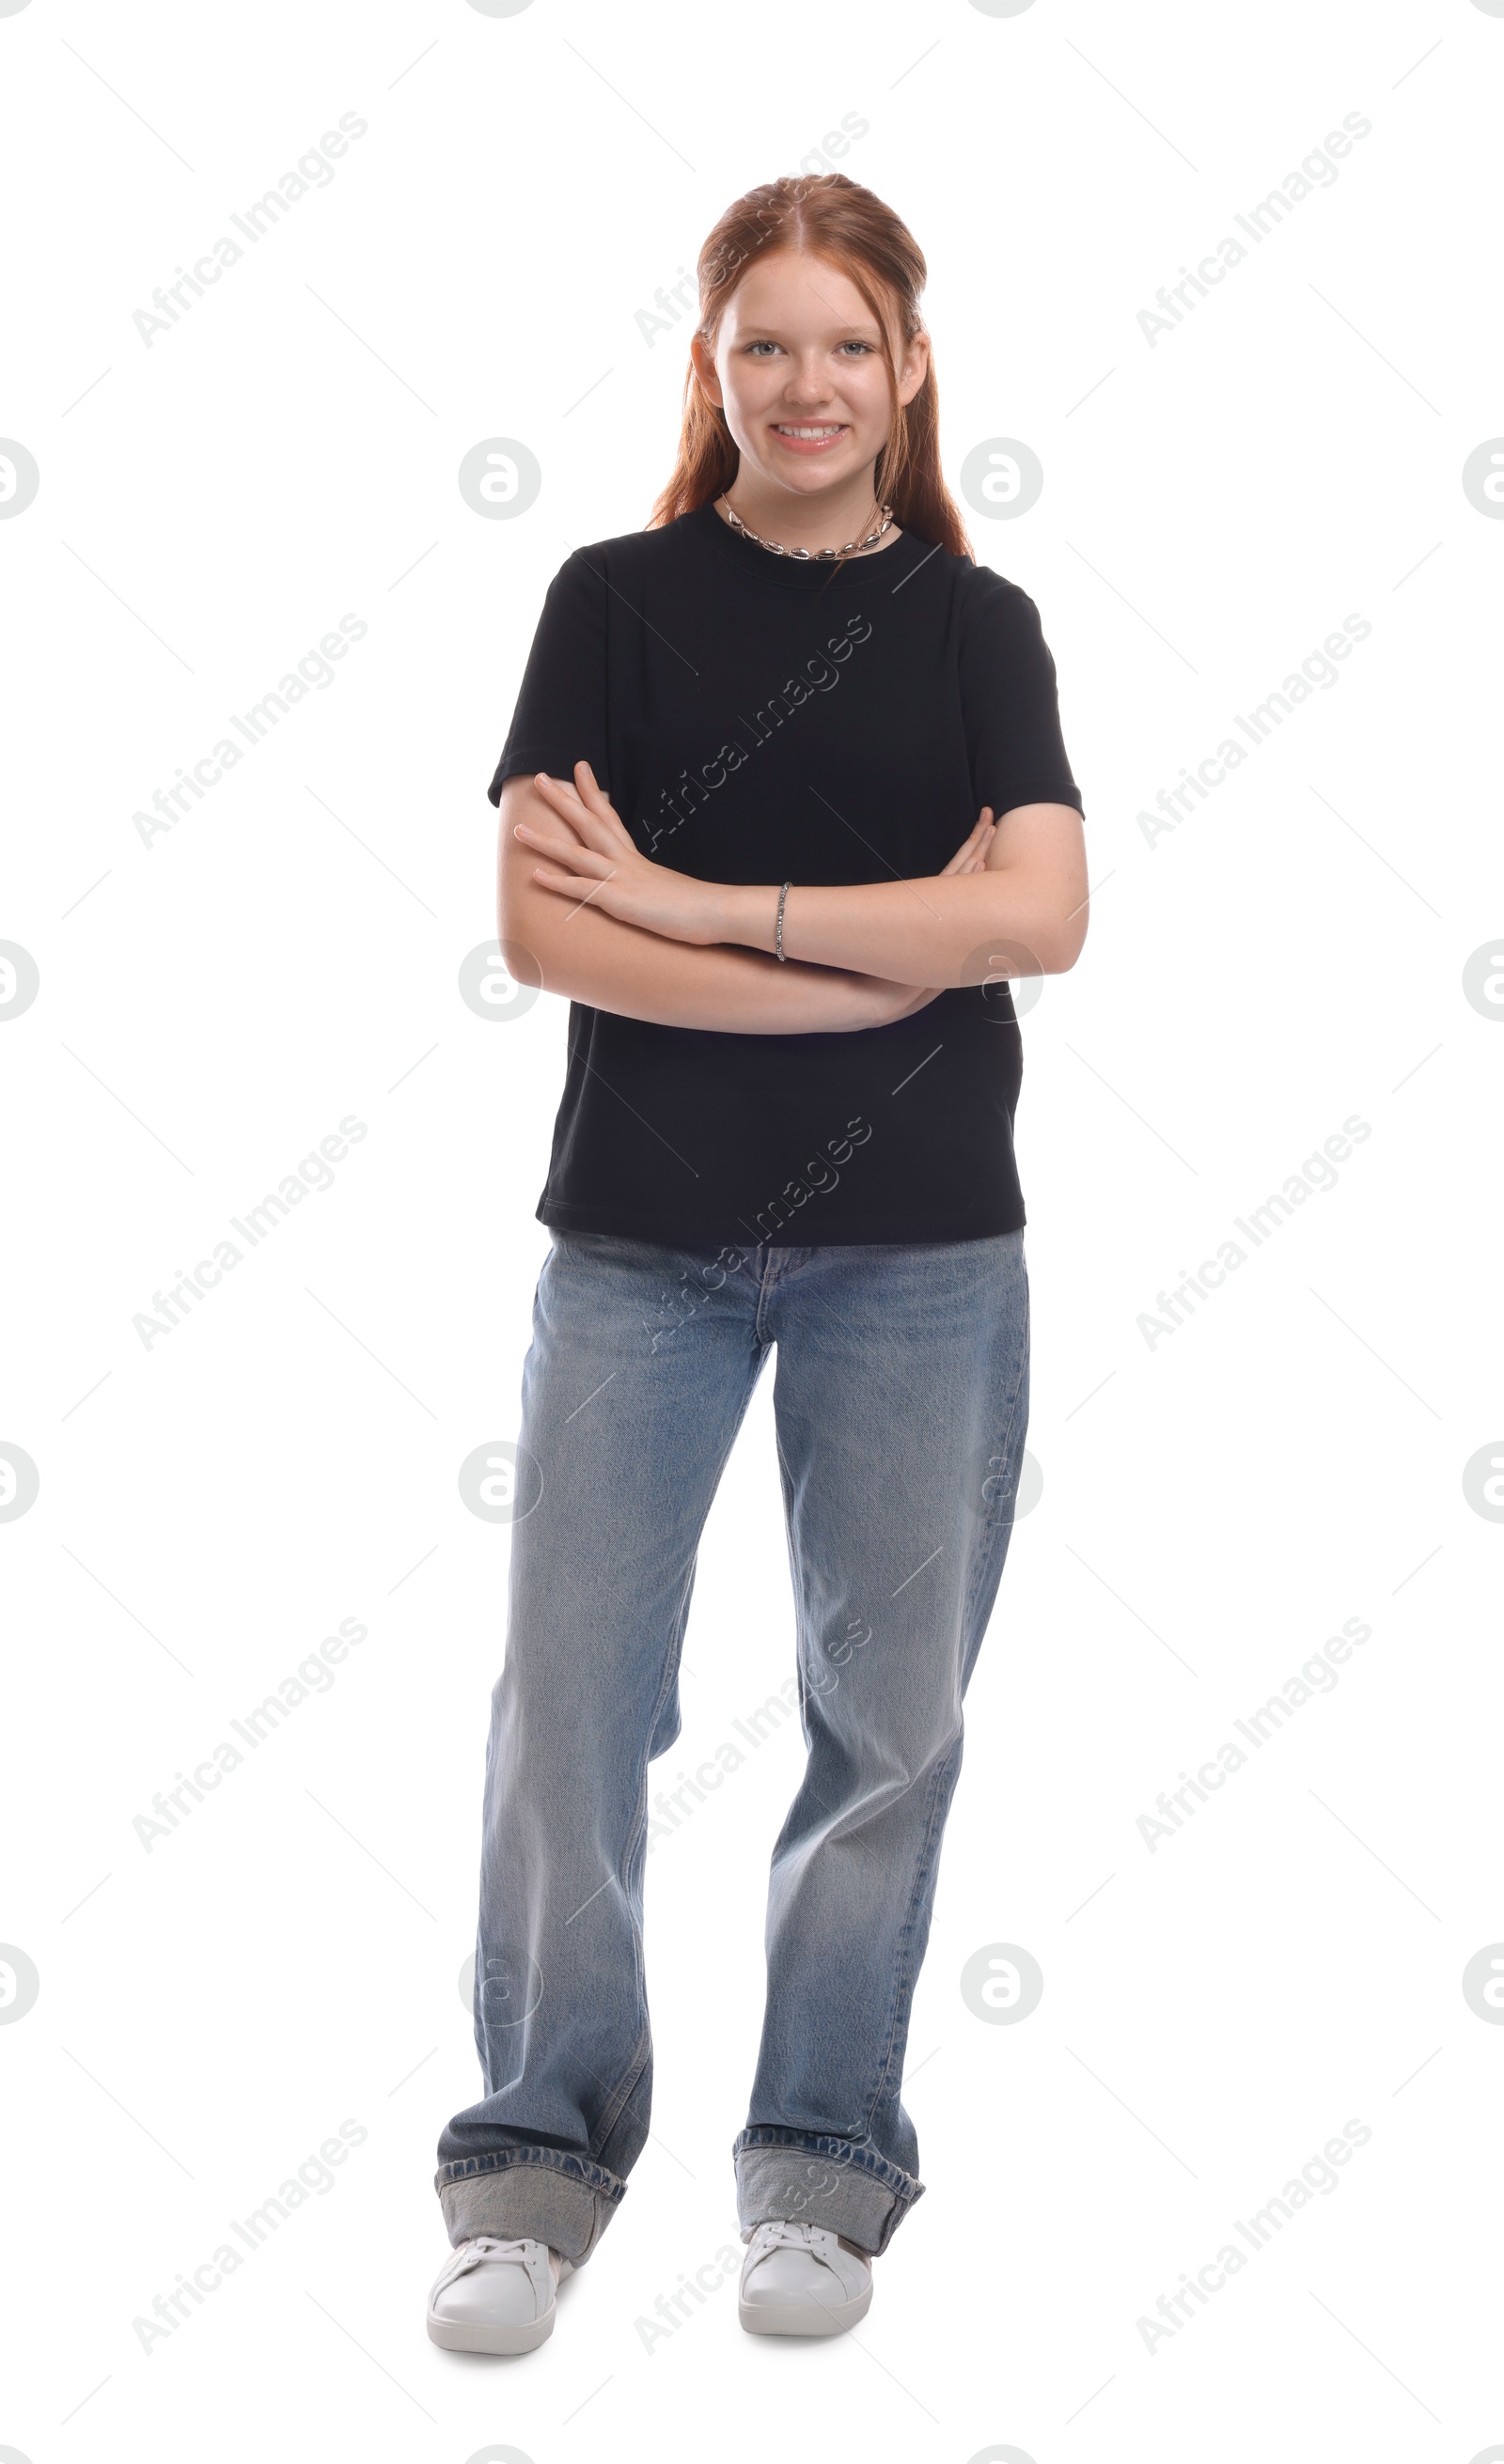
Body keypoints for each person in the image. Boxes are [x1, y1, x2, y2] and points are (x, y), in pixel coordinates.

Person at [427, 171, 1089, 2358]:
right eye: (758, 346)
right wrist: (859, 961)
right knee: (569, 1714)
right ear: (708, 371)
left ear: (906, 368)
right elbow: (539, 931)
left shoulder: (975, 631)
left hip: (918, 1258)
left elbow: (1036, 923)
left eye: (841, 344)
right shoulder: (608, 599)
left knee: (882, 1722)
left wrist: (698, 910)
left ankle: (821, 2160)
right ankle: (533, 2157)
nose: (801, 385)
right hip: (639, 1244)